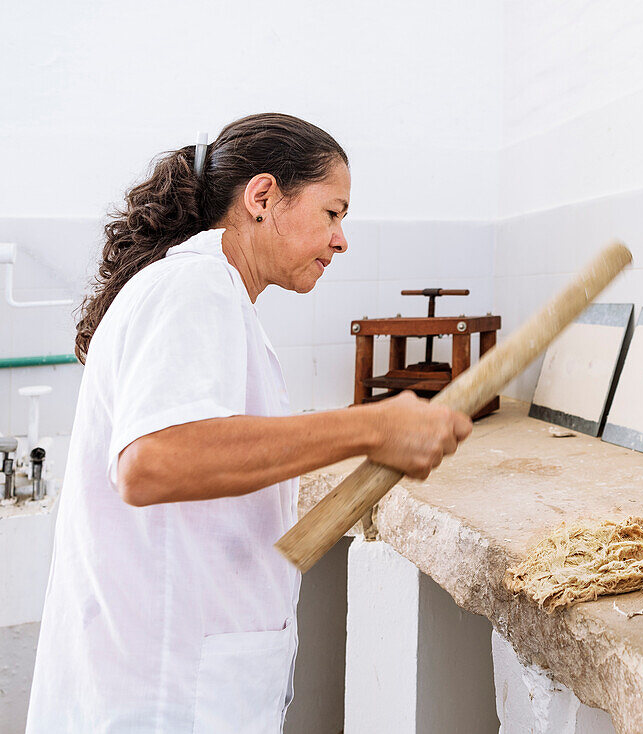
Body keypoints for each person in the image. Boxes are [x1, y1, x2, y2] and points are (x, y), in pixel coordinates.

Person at [25, 113, 473, 733]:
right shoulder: (196, 284)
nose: (341, 239)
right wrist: (370, 428)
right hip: (163, 700)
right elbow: (155, 460)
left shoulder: (211, 291)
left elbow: (210, 442)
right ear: (263, 196)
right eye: (332, 212)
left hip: (178, 684)